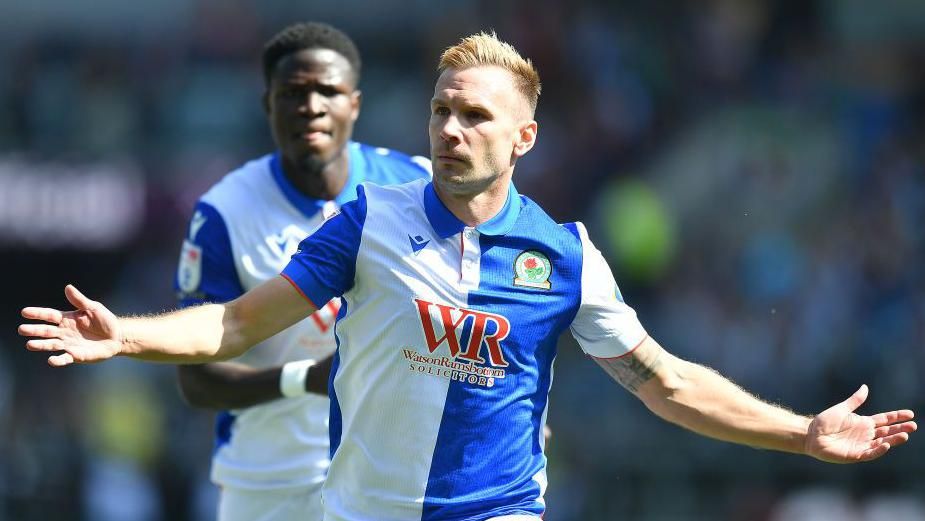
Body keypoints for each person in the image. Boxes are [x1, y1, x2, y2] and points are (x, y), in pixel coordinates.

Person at [19, 32, 916, 521]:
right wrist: (125, 333)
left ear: (522, 138)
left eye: (476, 116)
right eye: (442, 109)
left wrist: (801, 433)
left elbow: (666, 383)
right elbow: (235, 325)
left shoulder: (563, 254)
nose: (451, 128)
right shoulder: (368, 219)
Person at [172, 22, 430, 521]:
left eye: (328, 91)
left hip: (395, 475)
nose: (311, 105)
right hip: (271, 483)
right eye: (293, 92)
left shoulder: (416, 187)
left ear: (354, 103)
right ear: (268, 104)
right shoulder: (225, 212)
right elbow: (197, 380)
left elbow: (479, 303)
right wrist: (303, 379)